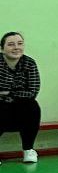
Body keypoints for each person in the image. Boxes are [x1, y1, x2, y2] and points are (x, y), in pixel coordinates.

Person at [0, 31, 41, 164]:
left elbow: (32, 92)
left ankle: (28, 150)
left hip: (19, 107)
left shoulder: (29, 63)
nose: (16, 47)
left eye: (20, 43)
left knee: (32, 106)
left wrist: (8, 93)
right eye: (11, 44)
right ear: (2, 48)